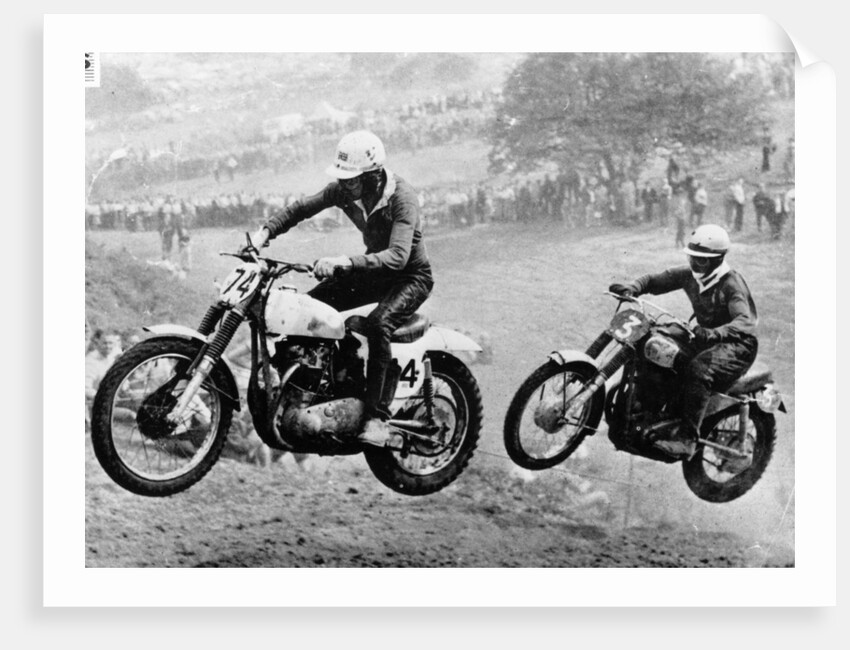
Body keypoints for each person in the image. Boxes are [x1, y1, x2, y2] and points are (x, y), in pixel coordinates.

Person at [243, 130, 434, 448]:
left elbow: (399, 257)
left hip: (410, 277)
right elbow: (301, 209)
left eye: (352, 179)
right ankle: (325, 386)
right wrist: (264, 233)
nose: (345, 185)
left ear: (373, 176)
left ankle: (377, 419)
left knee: (378, 324)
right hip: (373, 272)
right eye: (343, 178)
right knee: (307, 311)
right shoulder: (346, 190)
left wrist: (344, 261)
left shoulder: (402, 198)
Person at [608, 225, 758, 458]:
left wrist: (716, 333)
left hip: (737, 346)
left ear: (718, 259)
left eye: (702, 260)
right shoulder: (690, 275)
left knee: (698, 370)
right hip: (704, 338)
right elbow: (655, 280)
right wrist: (634, 288)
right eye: (693, 257)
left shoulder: (731, 283)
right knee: (655, 340)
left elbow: (745, 321)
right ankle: (648, 408)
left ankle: (687, 439)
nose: (695, 263)